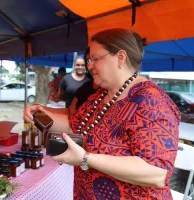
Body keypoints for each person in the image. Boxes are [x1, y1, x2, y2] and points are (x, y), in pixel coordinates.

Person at [24, 28, 180, 199]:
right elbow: (74, 124)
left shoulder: (151, 101)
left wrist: (85, 158)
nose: (89, 66)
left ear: (120, 57)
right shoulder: (101, 95)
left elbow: (156, 173)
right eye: (89, 60)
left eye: (95, 59)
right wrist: (39, 113)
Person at [69, 47, 99, 115]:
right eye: (88, 61)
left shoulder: (111, 91)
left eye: (96, 59)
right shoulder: (84, 87)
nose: (90, 66)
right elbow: (71, 111)